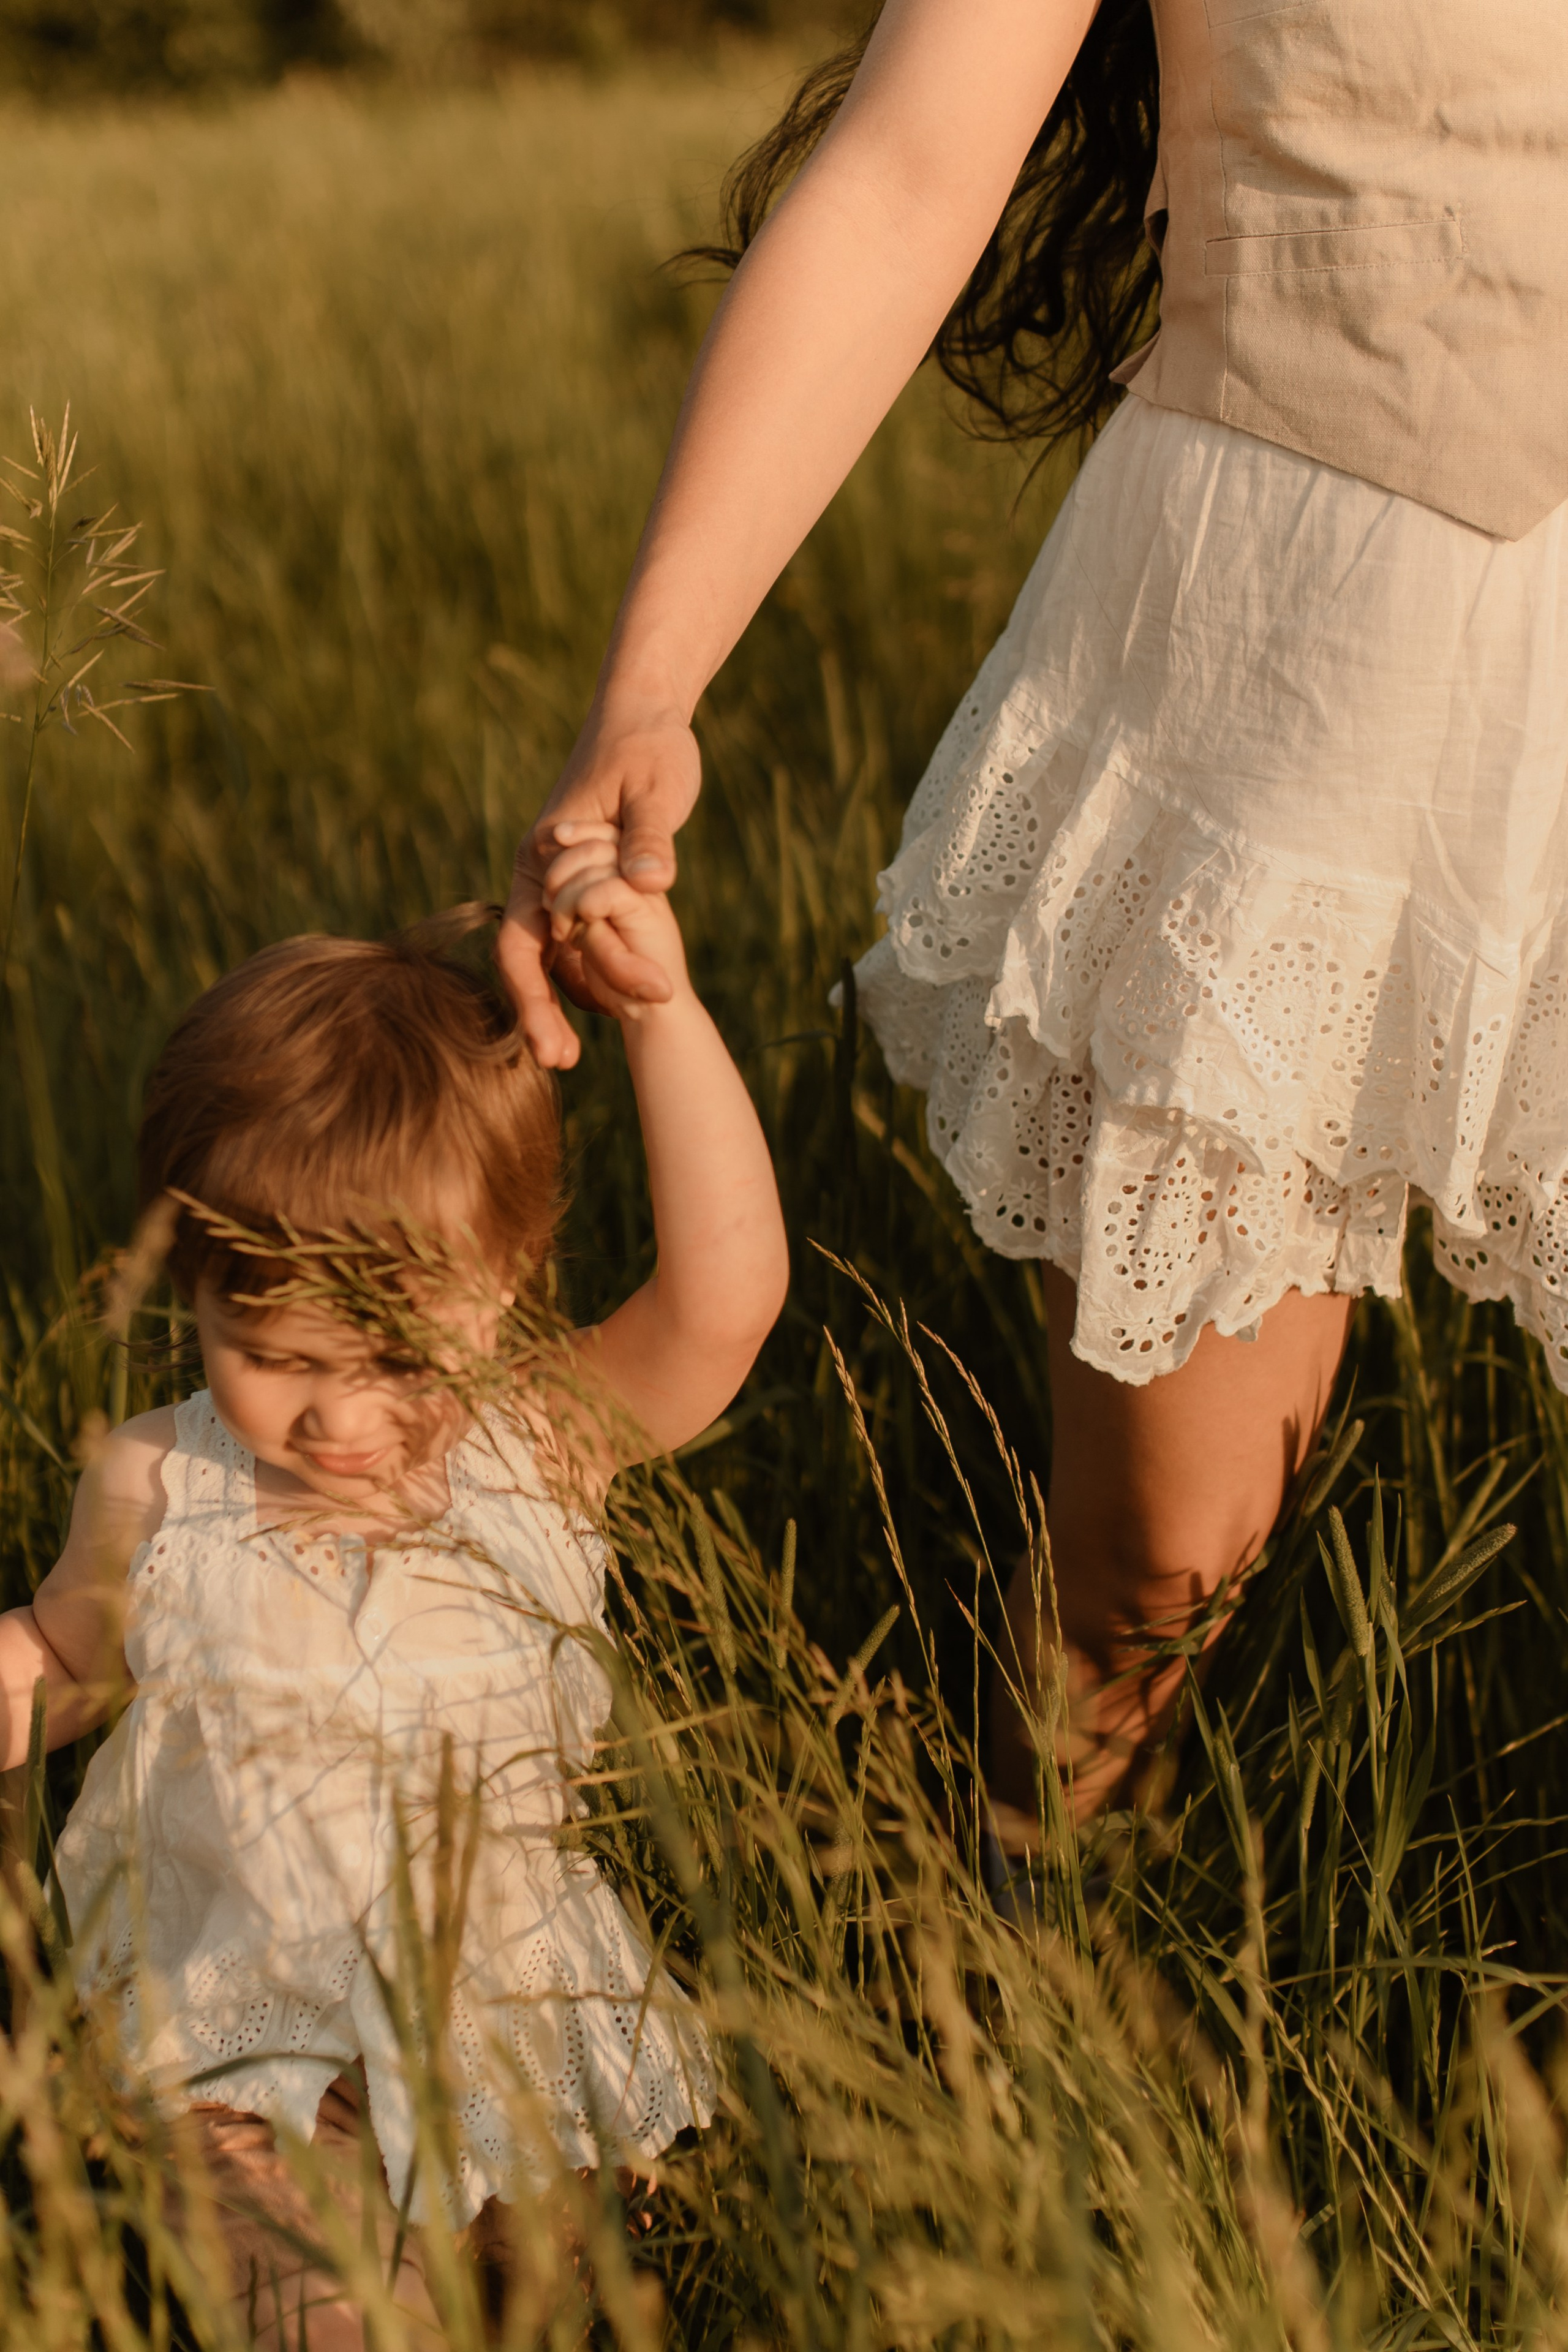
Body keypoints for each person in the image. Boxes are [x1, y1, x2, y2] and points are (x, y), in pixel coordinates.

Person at [497, 0, 1568, 1828]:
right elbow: (911, 174)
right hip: (1293, 660)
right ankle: (1032, 2001)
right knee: (1156, 1564)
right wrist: (646, 690)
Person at [0, 844, 788, 2348]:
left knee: (576, 2309)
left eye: (395, 1358)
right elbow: (66, 1657)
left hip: (508, 2032)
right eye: (277, 1358)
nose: (340, 1419)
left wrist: (664, 1013)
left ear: (506, 1281)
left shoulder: (541, 1446)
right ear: (199, 1294)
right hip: (246, 2041)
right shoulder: (159, 1488)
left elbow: (724, 1297)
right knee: (327, 2318)